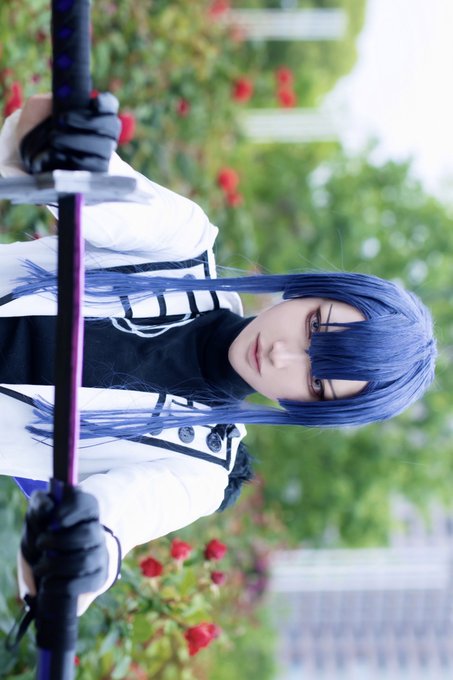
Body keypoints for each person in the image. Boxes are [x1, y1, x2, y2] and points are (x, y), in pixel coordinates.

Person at [0, 95, 437, 615]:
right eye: (314, 327)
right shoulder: (182, 244)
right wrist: (67, 142)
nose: (282, 356)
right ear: (310, 292)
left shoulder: (201, 470)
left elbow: (116, 519)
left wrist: (80, 560)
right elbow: (89, 186)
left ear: (310, 407)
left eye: (316, 382)